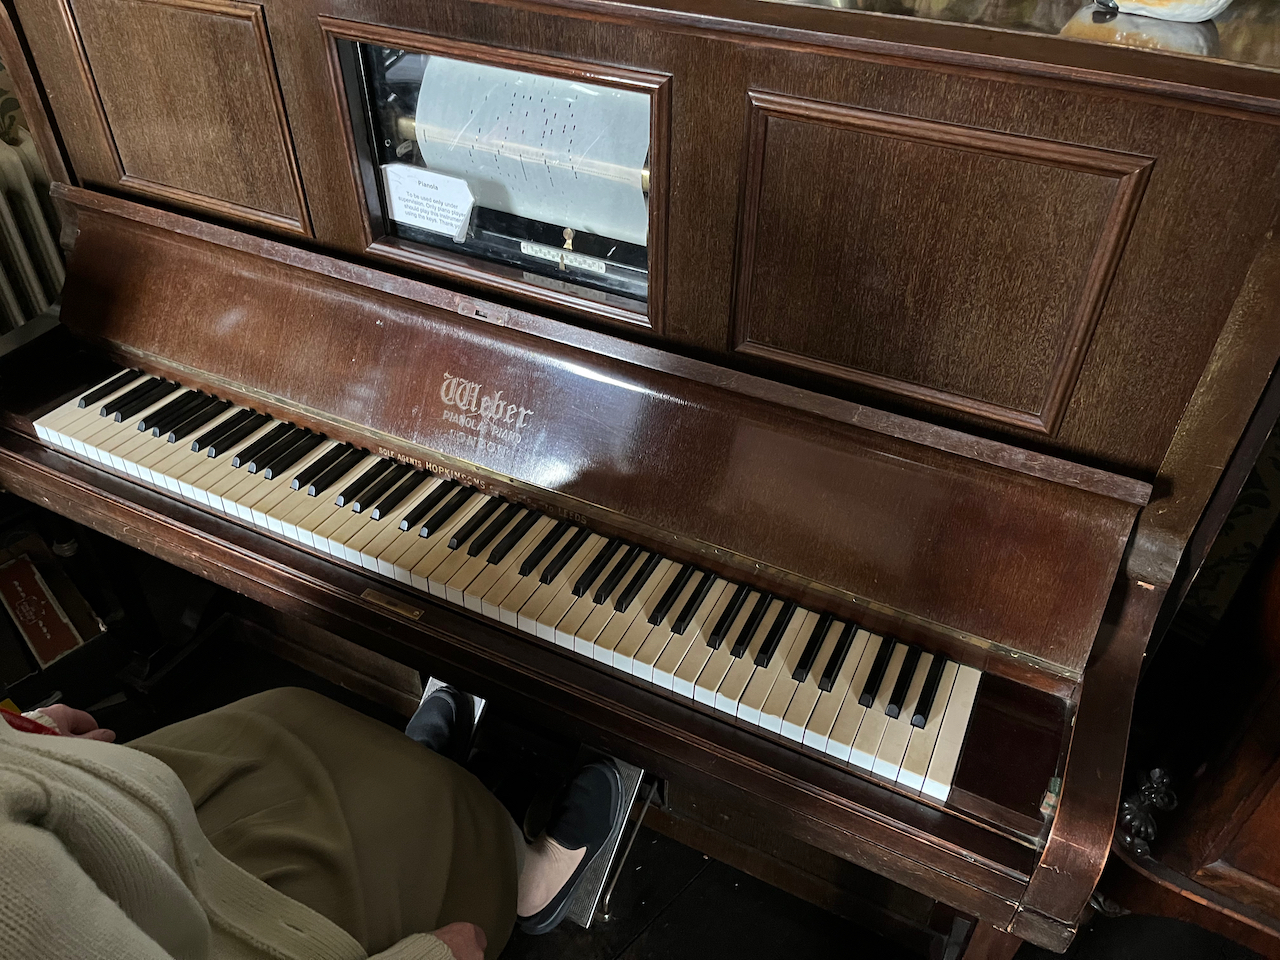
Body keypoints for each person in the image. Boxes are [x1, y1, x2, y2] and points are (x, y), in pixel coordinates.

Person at [0, 684, 624, 960]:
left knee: (285, 712)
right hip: (205, 936)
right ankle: (523, 886)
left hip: (99, 817)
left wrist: (23, 734)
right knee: (457, 817)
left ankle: (409, 765)